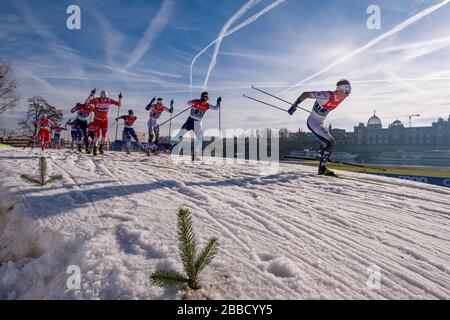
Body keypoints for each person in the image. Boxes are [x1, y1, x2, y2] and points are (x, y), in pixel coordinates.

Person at [289, 79, 352, 176]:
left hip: (321, 123)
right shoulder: (326, 95)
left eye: (349, 93)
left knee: (326, 143)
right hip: (313, 122)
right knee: (330, 142)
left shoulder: (341, 98)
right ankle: (322, 168)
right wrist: (294, 105)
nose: (347, 95)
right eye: (346, 92)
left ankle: (320, 156)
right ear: (339, 90)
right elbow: (305, 94)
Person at [170, 91, 222, 160]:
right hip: (190, 121)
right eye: (204, 98)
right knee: (180, 135)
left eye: (207, 99)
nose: (205, 100)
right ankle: (171, 146)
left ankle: (195, 154)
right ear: (201, 98)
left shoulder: (207, 105)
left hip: (197, 123)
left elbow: (216, 108)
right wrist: (194, 103)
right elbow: (188, 103)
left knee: (200, 138)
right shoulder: (196, 101)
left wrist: (218, 102)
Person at [86, 90, 122, 156]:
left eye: (104, 98)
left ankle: (101, 147)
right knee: (97, 135)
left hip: (105, 120)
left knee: (104, 135)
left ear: (107, 97)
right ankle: (94, 148)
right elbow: (86, 102)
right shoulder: (96, 100)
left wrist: (120, 99)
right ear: (100, 97)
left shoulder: (109, 100)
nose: (103, 99)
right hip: (97, 120)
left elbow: (119, 104)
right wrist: (91, 95)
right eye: (102, 98)